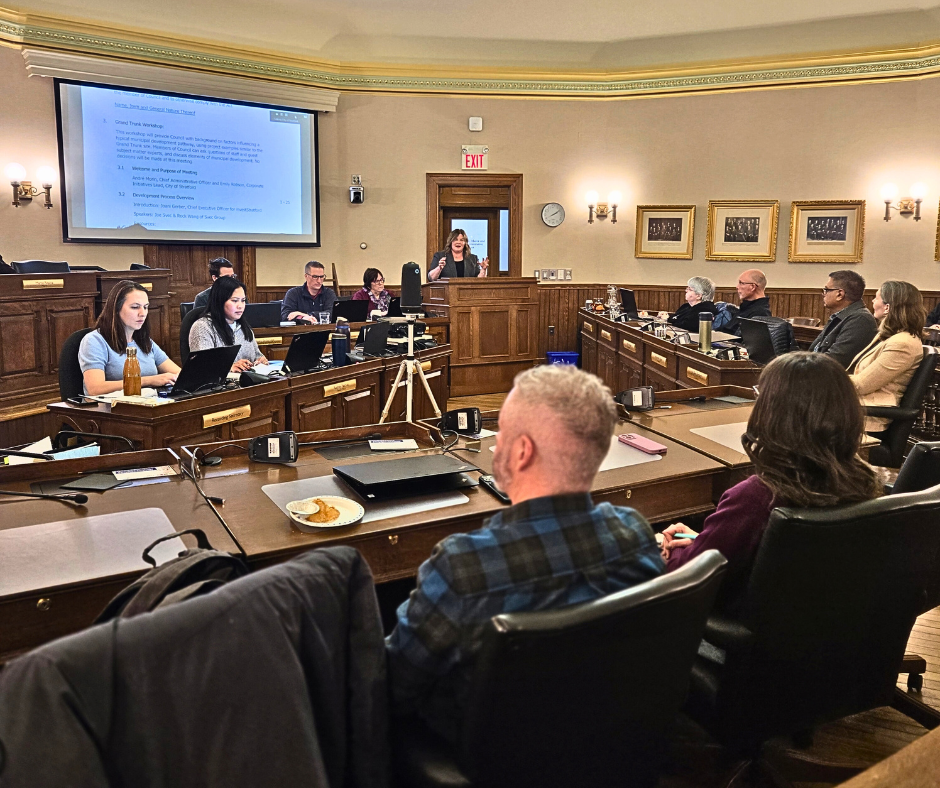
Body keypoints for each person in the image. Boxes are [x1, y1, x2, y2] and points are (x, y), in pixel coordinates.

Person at [386, 364, 664, 742]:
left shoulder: (462, 567)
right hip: (607, 744)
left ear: (521, 451)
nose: (495, 443)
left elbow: (395, 688)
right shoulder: (635, 532)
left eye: (501, 431)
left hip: (481, 757)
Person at [661, 352, 880, 612]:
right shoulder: (864, 483)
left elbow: (688, 580)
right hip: (823, 628)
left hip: (739, 631)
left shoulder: (756, 497)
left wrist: (660, 550)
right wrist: (707, 541)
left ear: (772, 412)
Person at [78, 280, 181, 395]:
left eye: (146, 307)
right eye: (135, 307)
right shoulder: (94, 341)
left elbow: (178, 374)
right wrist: (149, 380)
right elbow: (95, 389)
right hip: (111, 409)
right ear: (116, 309)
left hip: (148, 405)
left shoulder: (144, 341)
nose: (143, 313)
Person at [849, 280, 926, 431]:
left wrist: (825, 381)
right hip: (854, 409)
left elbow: (861, 385)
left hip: (867, 419)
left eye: (876, 298)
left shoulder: (903, 343)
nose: (872, 301)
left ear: (887, 307)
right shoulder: (890, 337)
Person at [188, 277, 268, 373]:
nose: (240, 305)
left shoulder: (243, 326)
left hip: (247, 383)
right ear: (220, 301)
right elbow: (201, 366)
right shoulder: (202, 327)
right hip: (220, 386)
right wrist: (229, 367)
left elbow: (257, 355)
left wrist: (261, 360)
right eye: (235, 301)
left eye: (243, 300)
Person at [808, 270, 878, 368]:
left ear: (840, 294)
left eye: (826, 290)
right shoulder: (840, 317)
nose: (823, 294)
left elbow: (833, 361)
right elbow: (813, 351)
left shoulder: (860, 320)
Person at [714, 269, 772, 335]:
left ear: (752, 287)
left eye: (741, 283)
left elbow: (746, 342)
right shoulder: (746, 308)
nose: (737, 287)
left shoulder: (760, 313)